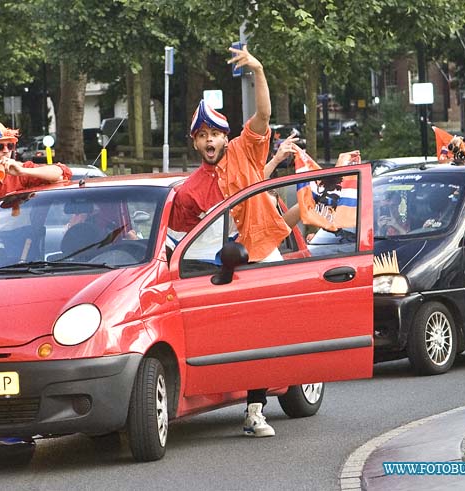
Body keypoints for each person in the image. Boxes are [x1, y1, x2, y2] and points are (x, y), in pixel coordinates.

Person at [168, 45, 284, 438]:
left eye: (214, 133)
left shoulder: (245, 150)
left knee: (270, 332)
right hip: (226, 265)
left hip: (264, 248)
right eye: (202, 136)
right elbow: (181, 239)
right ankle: (228, 399)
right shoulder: (188, 191)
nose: (209, 140)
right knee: (242, 333)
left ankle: (256, 410)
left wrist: (258, 69)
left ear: (225, 136)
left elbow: (264, 115)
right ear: (195, 144)